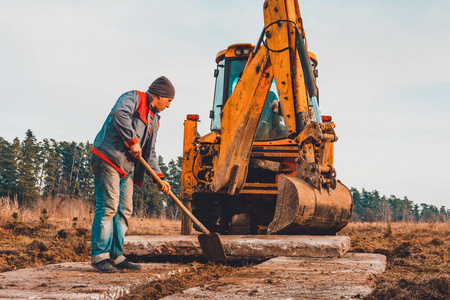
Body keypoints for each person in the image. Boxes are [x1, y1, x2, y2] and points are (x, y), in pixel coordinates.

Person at [90, 76, 175, 273]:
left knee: (124, 210)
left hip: (126, 168)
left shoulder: (155, 120)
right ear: (160, 95)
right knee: (108, 206)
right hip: (108, 158)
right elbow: (119, 113)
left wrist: (159, 178)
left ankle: (116, 256)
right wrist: (131, 139)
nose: (169, 106)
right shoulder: (134, 98)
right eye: (169, 101)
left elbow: (149, 152)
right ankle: (100, 256)